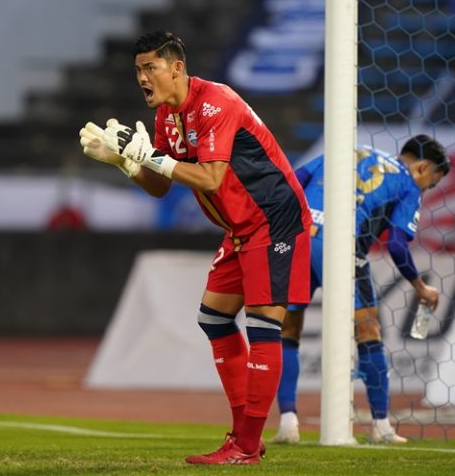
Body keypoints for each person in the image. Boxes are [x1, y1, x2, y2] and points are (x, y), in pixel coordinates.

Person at [78, 31, 311, 465]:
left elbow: (209, 178)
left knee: (263, 326)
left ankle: (246, 446)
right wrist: (124, 162)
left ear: (177, 68)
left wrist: (149, 157)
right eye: (138, 70)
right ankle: (244, 436)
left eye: (150, 68)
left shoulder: (215, 103)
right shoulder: (168, 116)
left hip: (273, 219)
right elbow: (161, 186)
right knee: (214, 319)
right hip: (240, 228)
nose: (142, 78)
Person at [272, 136, 450, 445]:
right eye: (431, 184)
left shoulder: (348, 151)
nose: (426, 189)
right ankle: (381, 427)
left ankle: (288, 423)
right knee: (368, 332)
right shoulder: (408, 183)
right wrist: (420, 285)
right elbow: (396, 244)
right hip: (343, 249)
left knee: (288, 330)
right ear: (423, 167)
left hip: (299, 239)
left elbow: (293, 181)